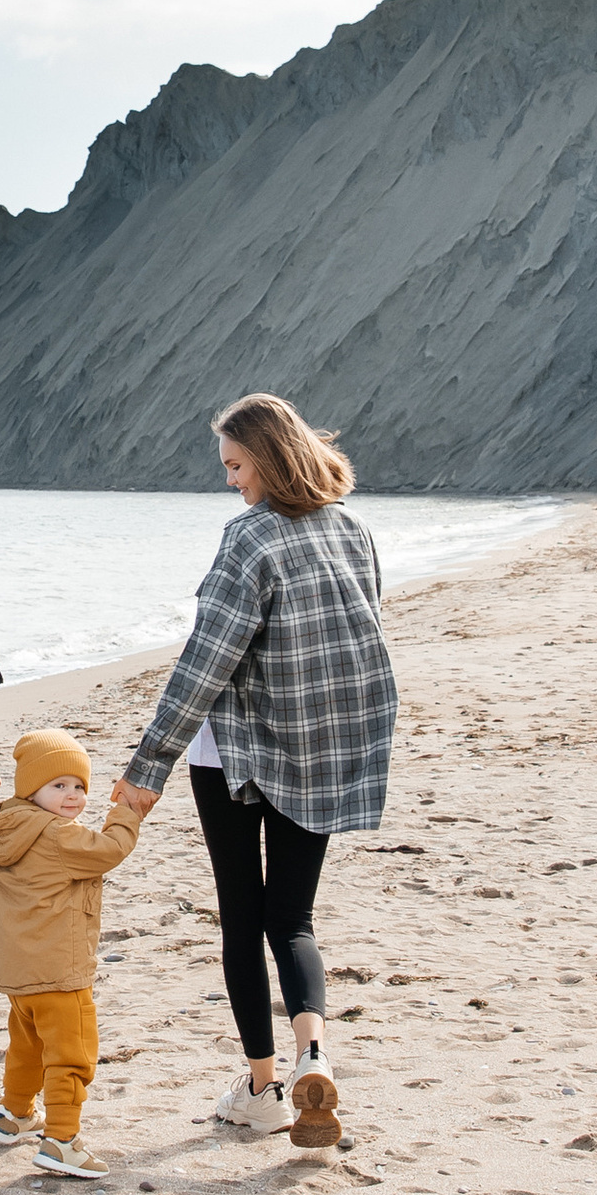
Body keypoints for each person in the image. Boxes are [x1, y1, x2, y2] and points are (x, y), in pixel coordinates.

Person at [112, 391, 394, 1135]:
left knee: (241, 917)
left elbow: (207, 662)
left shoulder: (251, 539)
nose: (231, 480)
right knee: (293, 918)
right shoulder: (353, 530)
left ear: (267, 457)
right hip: (323, 748)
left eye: (236, 465)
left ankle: (264, 1092)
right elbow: (360, 637)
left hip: (235, 755)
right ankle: (314, 1055)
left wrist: (149, 764)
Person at [0, 728, 143, 1183]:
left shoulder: (0, 822)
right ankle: (62, 1141)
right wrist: (126, 811)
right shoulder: (61, 836)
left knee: (27, 1045)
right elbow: (112, 849)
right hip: (60, 972)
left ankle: (14, 1115)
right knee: (71, 1053)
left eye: (80, 786)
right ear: (32, 788)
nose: (72, 796)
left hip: (17, 972)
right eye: (58, 785)